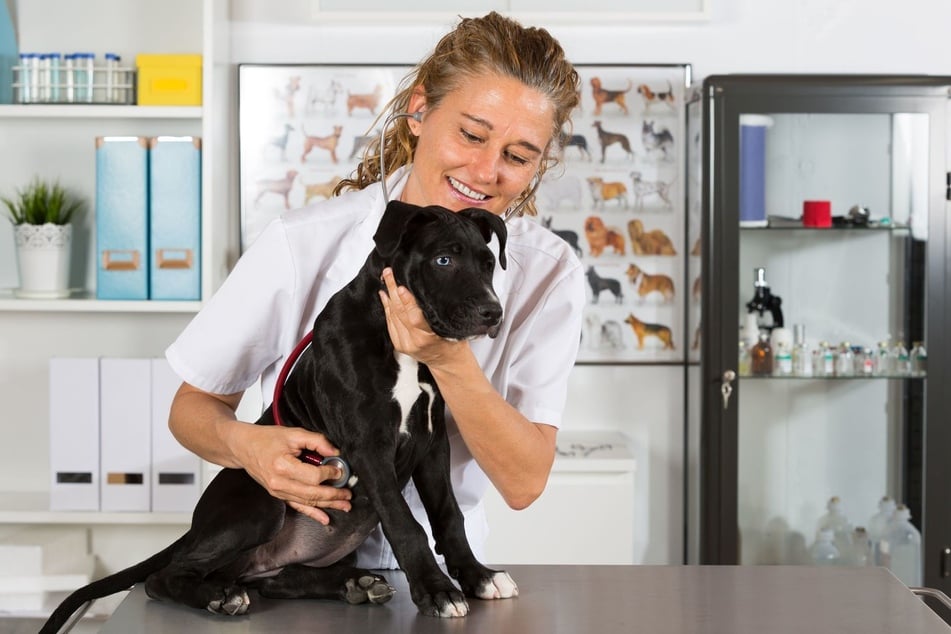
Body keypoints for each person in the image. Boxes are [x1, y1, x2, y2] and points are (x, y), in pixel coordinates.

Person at [165, 11, 585, 569]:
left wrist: (447, 358)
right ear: (418, 111)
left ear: (537, 164)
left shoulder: (549, 273)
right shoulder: (303, 242)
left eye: (517, 155)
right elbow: (193, 407)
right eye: (471, 134)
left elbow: (524, 481)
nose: (486, 172)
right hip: (290, 570)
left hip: (447, 574)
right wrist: (248, 447)